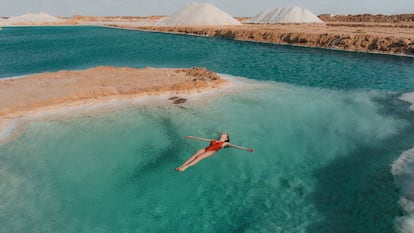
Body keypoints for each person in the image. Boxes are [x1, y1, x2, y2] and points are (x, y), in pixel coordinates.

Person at [175, 132, 254, 172]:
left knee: (198, 158)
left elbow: (236, 146)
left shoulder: (225, 143)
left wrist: (246, 149)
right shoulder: (214, 140)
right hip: (206, 148)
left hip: (212, 151)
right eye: (223, 133)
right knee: (194, 156)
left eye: (225, 134)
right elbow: (202, 139)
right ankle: (181, 165)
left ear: (226, 138)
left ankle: (185, 167)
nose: (223, 133)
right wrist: (192, 137)